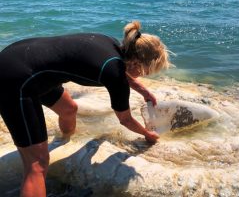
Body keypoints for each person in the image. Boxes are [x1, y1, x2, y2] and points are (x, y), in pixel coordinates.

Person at [0, 21, 171, 197]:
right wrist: (147, 134)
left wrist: (143, 90)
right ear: (136, 62)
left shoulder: (113, 46)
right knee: (37, 164)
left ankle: (62, 142)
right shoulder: (114, 73)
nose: (144, 75)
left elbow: (119, 71)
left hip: (23, 60)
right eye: (146, 71)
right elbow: (125, 119)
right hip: (14, 80)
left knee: (69, 109)